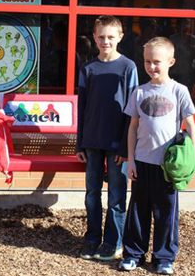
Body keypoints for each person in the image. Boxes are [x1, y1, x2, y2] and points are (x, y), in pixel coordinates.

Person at [119, 37, 195, 275]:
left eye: (157, 62)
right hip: (142, 162)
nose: (151, 67)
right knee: (138, 211)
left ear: (171, 62)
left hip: (168, 166)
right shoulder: (139, 92)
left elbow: (191, 125)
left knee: (166, 213)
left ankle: (164, 257)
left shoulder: (179, 91)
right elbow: (133, 127)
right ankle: (133, 254)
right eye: (147, 62)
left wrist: (193, 156)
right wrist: (130, 159)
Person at [76, 15, 139, 261]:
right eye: (101, 37)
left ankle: (113, 242)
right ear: (94, 37)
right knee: (92, 193)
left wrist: (126, 146)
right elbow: (82, 107)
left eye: (111, 37)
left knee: (116, 196)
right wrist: (80, 142)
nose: (105, 41)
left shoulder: (128, 67)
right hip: (92, 141)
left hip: (117, 144)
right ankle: (92, 239)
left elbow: (132, 111)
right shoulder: (88, 68)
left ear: (120, 37)